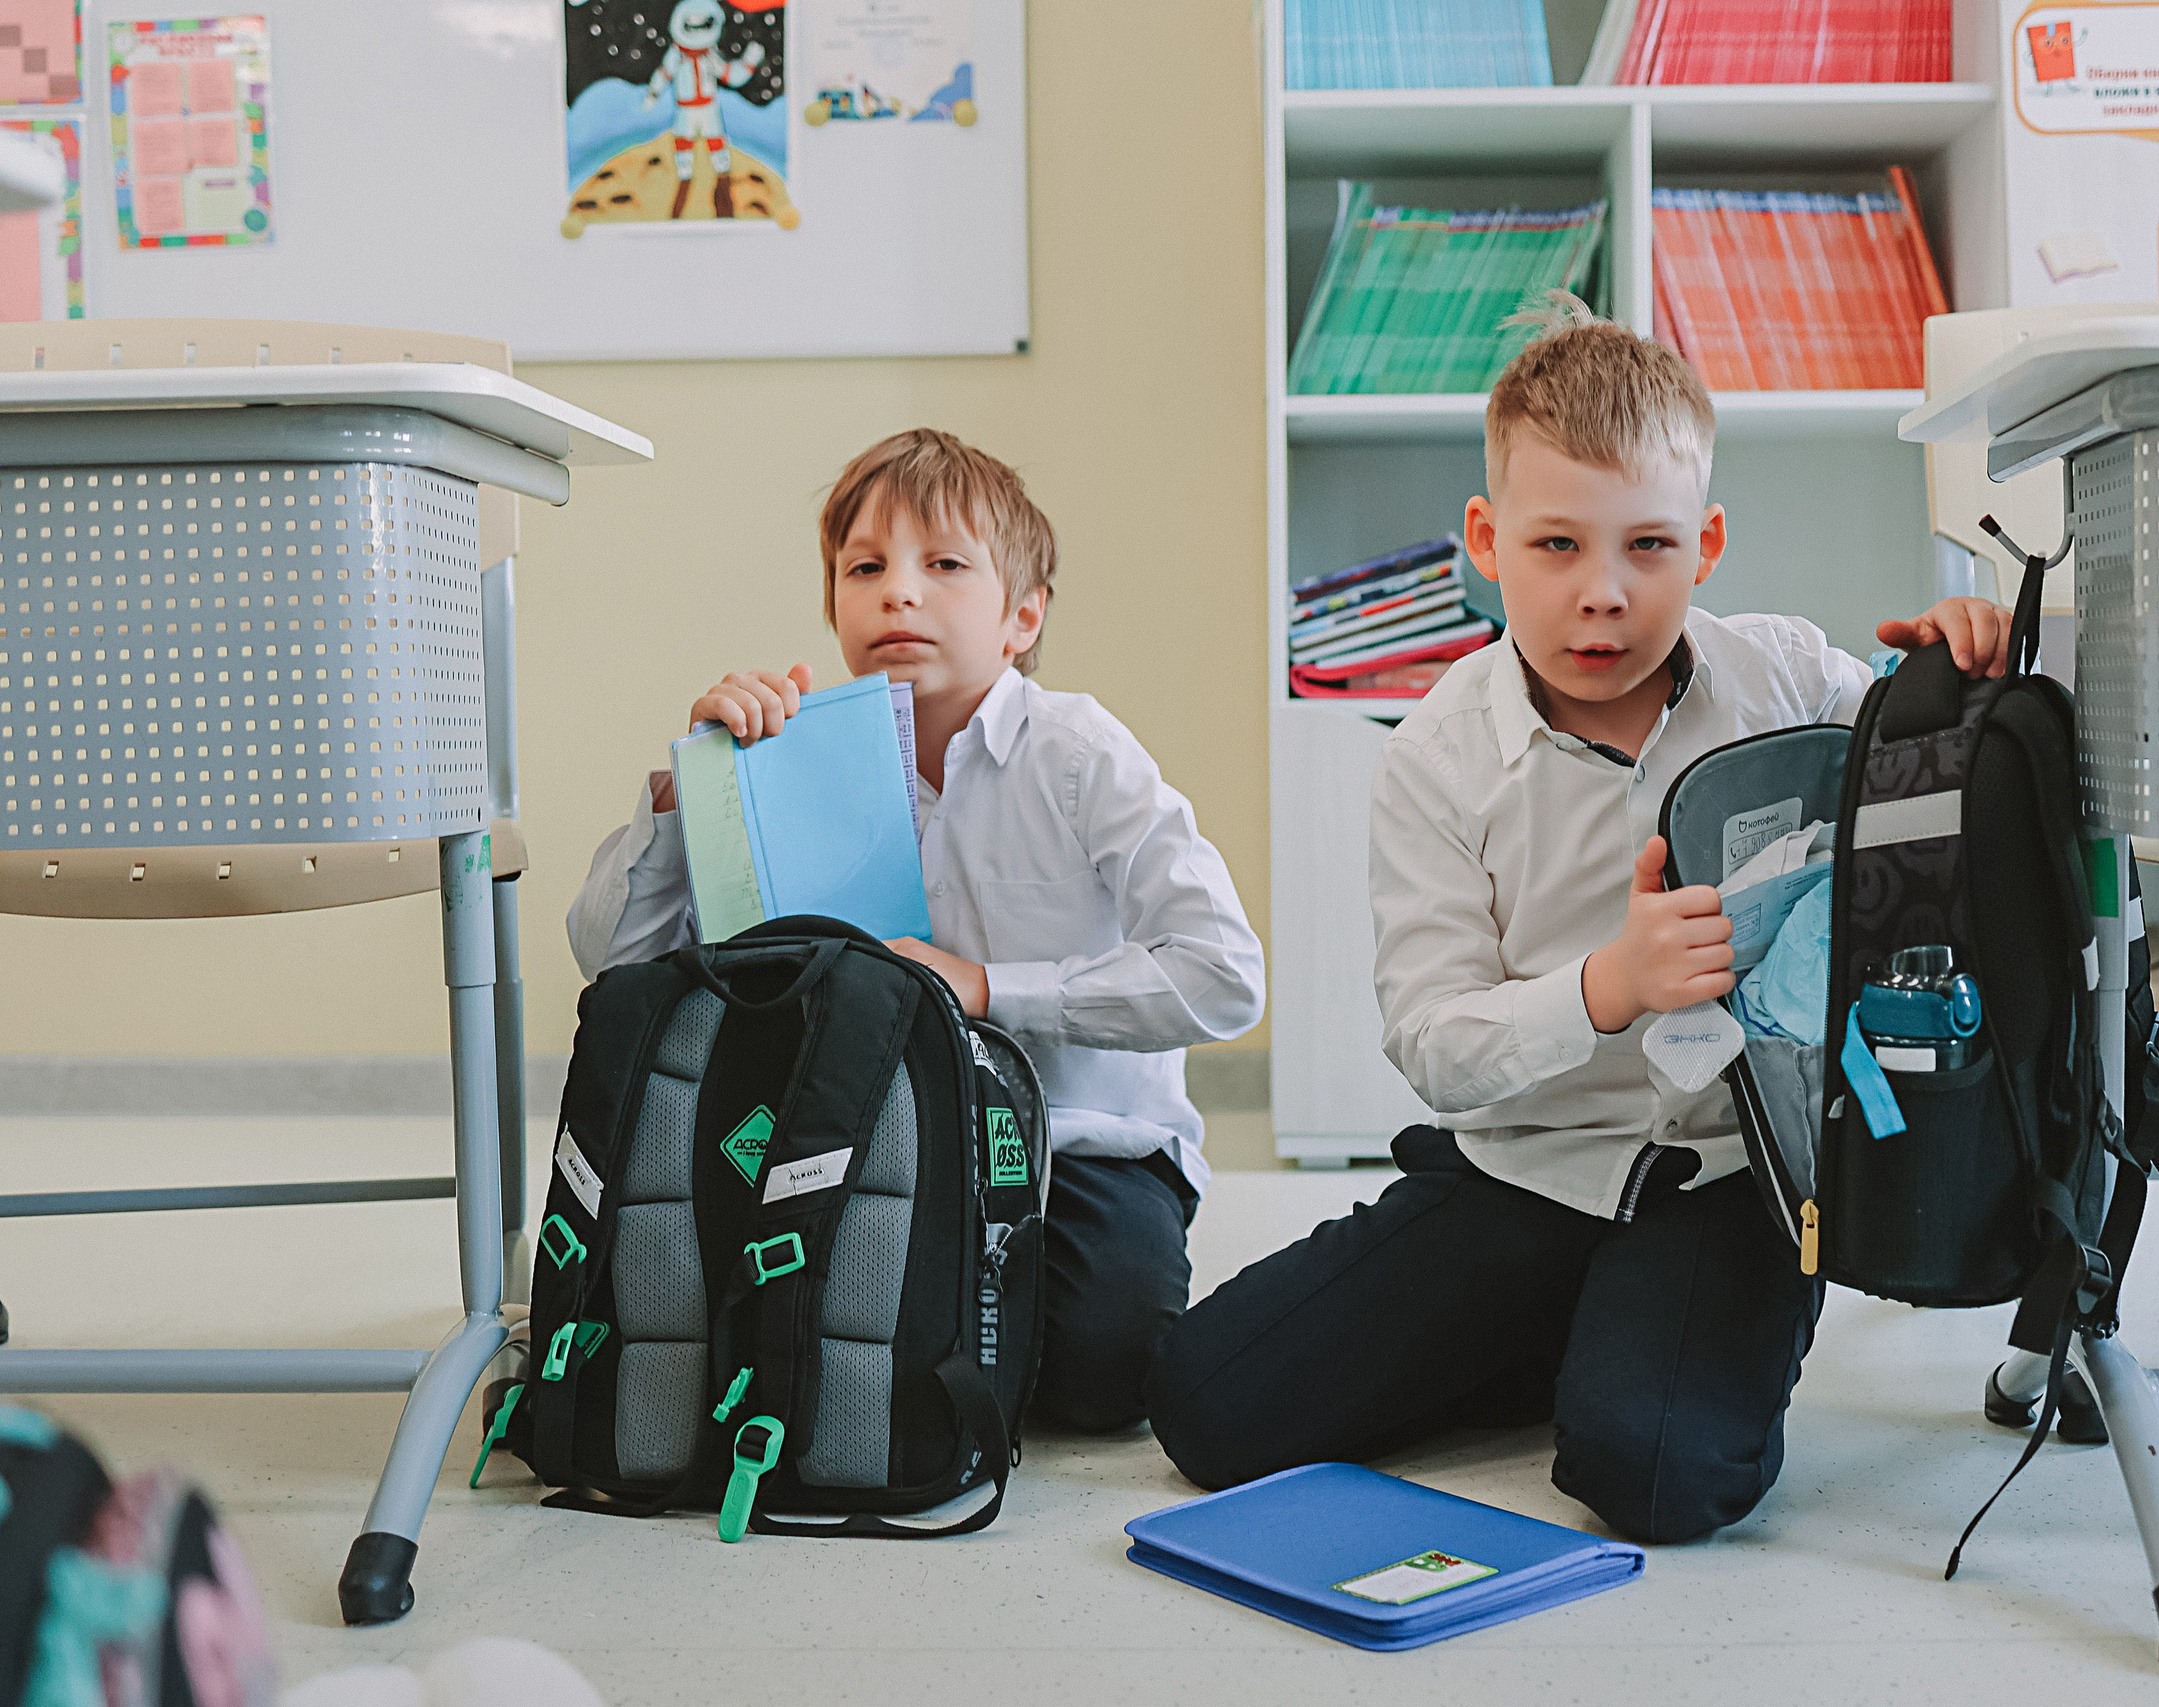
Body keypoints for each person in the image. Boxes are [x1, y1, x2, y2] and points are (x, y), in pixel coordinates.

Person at [1145, 297, 2011, 1542]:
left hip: (1730, 1173)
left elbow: (1918, 755)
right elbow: (1434, 1045)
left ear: (1705, 543)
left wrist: (1956, 655)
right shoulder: (1438, 754)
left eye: (1646, 548)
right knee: (1207, 1405)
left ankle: (1650, 1333)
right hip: (1524, 1167)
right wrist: (1610, 984)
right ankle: (1579, 1325)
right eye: (1557, 548)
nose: (1602, 597)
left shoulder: (1784, 679)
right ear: (1487, 541)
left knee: (1657, 1477)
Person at [569, 427, 1265, 1432]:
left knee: (1102, 1374)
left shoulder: (1080, 754)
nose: (900, 590)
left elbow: (1223, 977)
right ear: (836, 608)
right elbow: (615, 968)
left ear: (1021, 616)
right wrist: (693, 797)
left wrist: (981, 988)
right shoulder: (786, 757)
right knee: (755, 1343)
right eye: (867, 567)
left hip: (1075, 1152)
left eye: (944, 565)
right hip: (853, 1151)